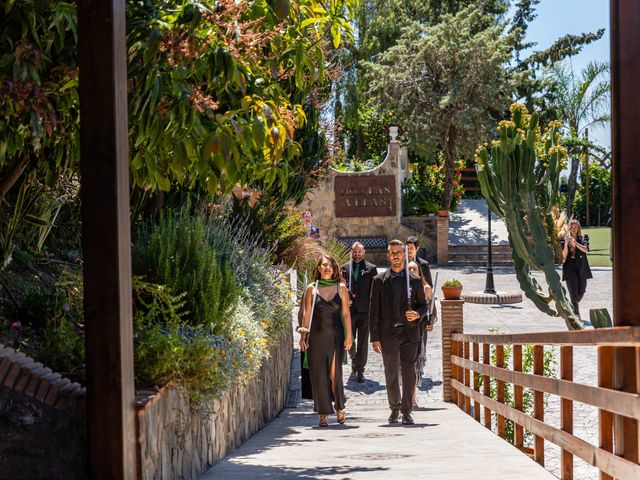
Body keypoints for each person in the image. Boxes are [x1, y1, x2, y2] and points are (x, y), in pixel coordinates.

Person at [369, 240, 428, 425]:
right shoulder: (378, 281)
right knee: (391, 372)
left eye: (399, 252)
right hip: (388, 334)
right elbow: (374, 311)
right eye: (392, 253)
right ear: (388, 256)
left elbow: (424, 305)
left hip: (409, 333)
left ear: (405, 255)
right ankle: (394, 409)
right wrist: (375, 338)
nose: (395, 256)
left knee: (409, 372)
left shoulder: (415, 280)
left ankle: (407, 411)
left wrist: (417, 313)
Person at [299, 255, 353, 427]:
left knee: (334, 374)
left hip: (335, 336)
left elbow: (345, 314)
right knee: (318, 375)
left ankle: (340, 407)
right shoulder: (311, 288)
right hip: (315, 337)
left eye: (330, 265)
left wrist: (349, 335)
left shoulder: (341, 288)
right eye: (324, 265)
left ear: (334, 268)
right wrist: (303, 336)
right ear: (319, 268)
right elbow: (307, 315)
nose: (327, 267)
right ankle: (323, 413)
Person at [341, 242, 378, 383]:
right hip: (349, 311)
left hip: (364, 311)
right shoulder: (344, 268)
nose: (357, 254)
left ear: (364, 252)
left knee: (363, 342)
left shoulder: (371, 269)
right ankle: (353, 359)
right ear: (351, 252)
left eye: (359, 251)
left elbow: (374, 292)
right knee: (350, 337)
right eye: (355, 251)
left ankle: (360, 370)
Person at [407, 261, 434, 408]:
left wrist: (431, 321)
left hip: (420, 330)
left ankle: (413, 397)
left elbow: (431, 309)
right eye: (409, 268)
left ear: (419, 271)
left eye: (414, 268)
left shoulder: (426, 288)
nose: (411, 270)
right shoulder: (403, 286)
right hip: (404, 330)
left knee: (415, 364)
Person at [561, 219, 592, 318]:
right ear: (569, 228)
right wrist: (566, 243)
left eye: (575, 227)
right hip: (570, 268)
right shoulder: (564, 239)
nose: (573, 229)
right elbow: (564, 255)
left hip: (581, 267)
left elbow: (586, 250)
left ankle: (573, 303)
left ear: (578, 228)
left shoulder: (584, 238)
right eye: (572, 227)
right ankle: (576, 315)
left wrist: (576, 244)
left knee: (581, 292)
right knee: (573, 293)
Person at [297, 289, 313, 400]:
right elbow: (302, 312)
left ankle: (309, 393)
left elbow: (301, 312)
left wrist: (303, 330)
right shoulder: (309, 290)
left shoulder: (308, 289)